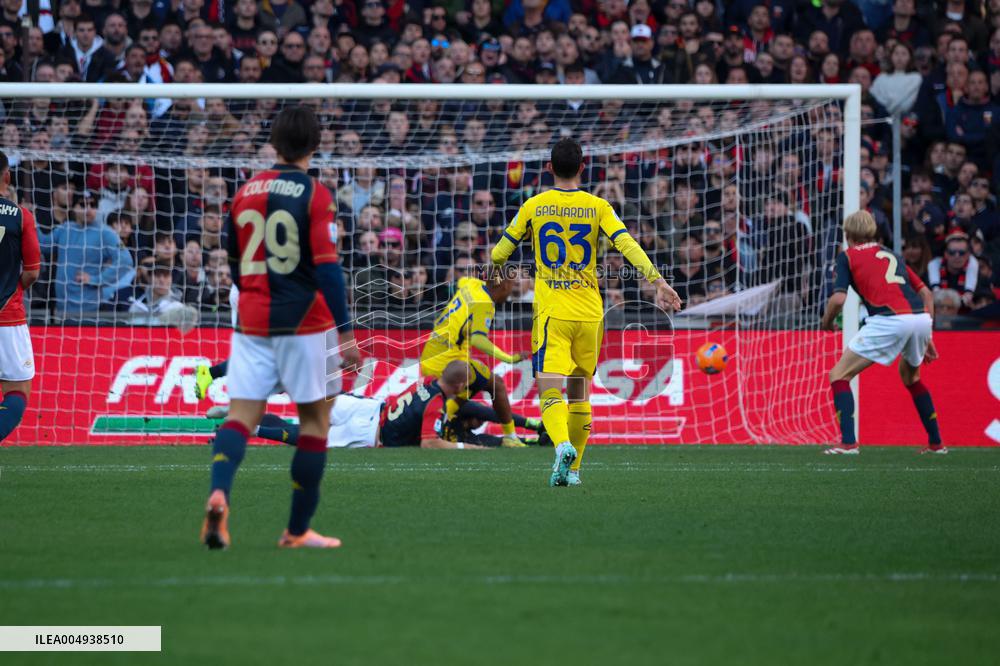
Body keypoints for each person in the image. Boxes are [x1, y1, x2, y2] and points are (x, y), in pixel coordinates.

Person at [200, 106, 360, 551]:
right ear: (315, 145)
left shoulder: (245, 191)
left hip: (252, 322)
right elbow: (329, 272)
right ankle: (296, 531)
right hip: (304, 325)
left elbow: (232, 262)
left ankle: (219, 495)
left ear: (273, 143)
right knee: (314, 423)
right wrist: (345, 334)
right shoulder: (317, 195)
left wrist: (253, 295)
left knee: (240, 417)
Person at [491, 138, 682, 486]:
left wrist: (501, 266)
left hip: (553, 313)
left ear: (548, 168)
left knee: (550, 392)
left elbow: (499, 252)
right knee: (580, 393)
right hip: (592, 313)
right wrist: (657, 282)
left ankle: (561, 444)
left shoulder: (535, 204)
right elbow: (626, 243)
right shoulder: (599, 206)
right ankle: (574, 470)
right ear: (583, 168)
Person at [820, 210, 944, 455]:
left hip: (889, 319)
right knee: (911, 378)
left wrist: (826, 322)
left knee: (839, 375)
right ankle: (937, 443)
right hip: (919, 318)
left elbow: (838, 299)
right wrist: (927, 333)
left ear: (847, 235)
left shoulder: (848, 256)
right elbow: (927, 295)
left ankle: (848, 443)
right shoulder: (893, 255)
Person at [255, 360, 492, 450]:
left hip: (371, 408)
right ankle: (254, 429)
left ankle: (271, 382)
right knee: (310, 436)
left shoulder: (428, 381)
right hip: (369, 432)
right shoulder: (436, 405)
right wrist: (467, 447)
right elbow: (429, 443)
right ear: (460, 386)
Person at [419, 273, 530, 449]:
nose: (509, 293)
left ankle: (444, 418)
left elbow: (459, 281)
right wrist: (509, 358)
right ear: (503, 286)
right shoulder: (485, 304)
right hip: (448, 362)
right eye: (510, 286)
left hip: (429, 356)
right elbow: (478, 339)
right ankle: (510, 437)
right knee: (496, 384)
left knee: (469, 388)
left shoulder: (471, 284)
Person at [0, 151, 41, 443]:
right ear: (7, 176)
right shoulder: (20, 216)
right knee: (17, 389)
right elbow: (33, 272)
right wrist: (14, 288)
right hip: (7, 317)